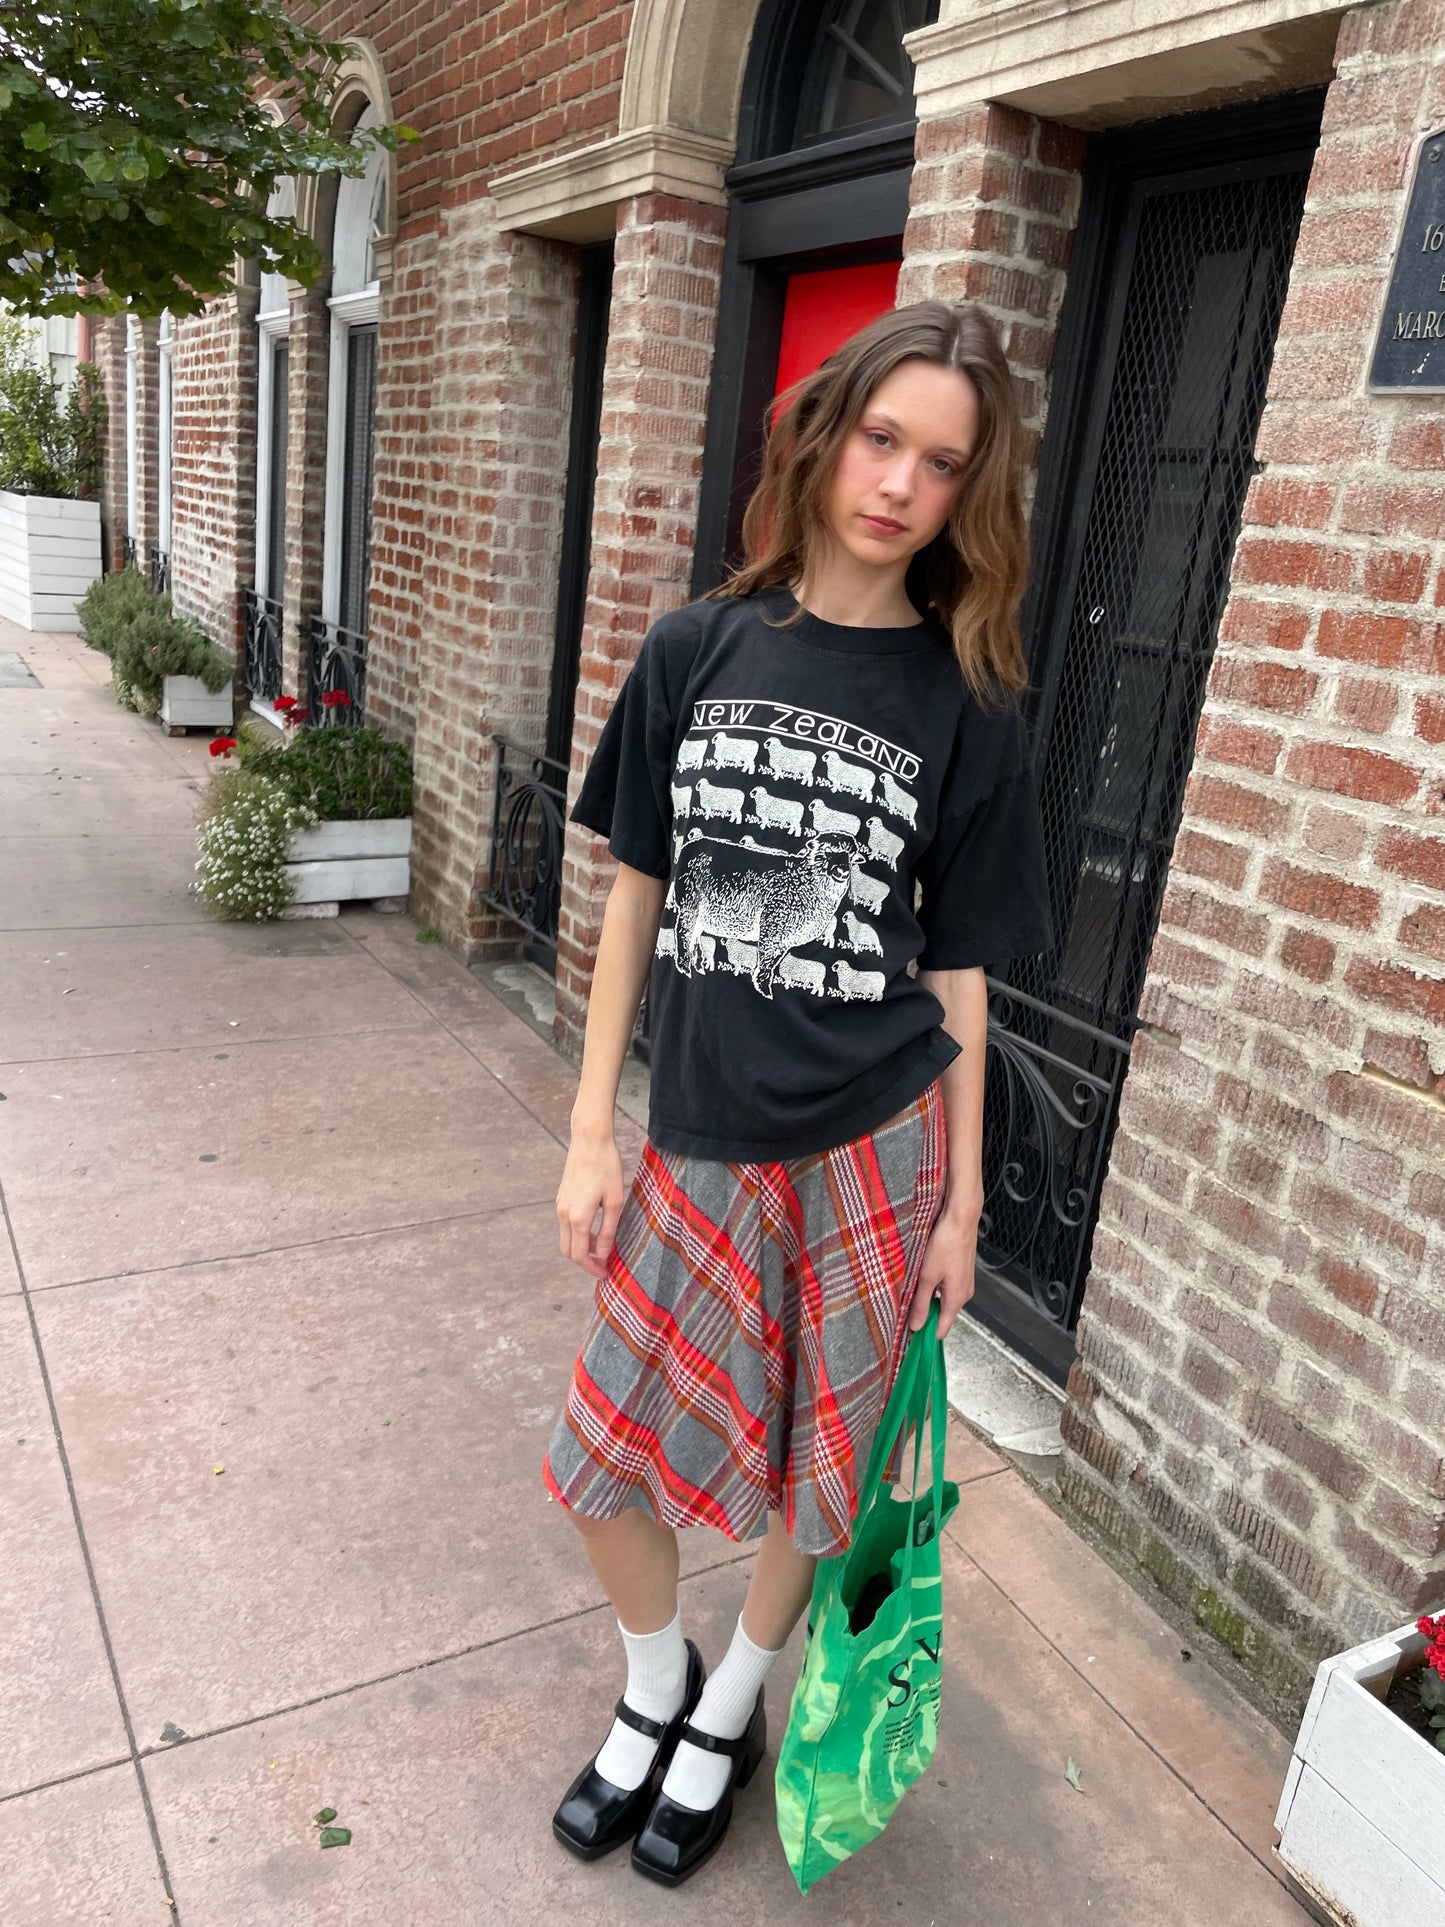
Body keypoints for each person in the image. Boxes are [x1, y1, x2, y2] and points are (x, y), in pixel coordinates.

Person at [543, 299, 1051, 1887]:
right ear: (826, 436)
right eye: (882, 439)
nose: (901, 483)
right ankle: (653, 1684)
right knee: (598, 1457)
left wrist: (962, 1200)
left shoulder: (965, 707)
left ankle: (730, 1710)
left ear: (970, 495)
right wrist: (588, 1130)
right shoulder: (697, 645)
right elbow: (634, 891)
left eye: (942, 462)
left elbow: (960, 973)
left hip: (876, 1140)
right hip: (696, 1133)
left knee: (814, 1472)